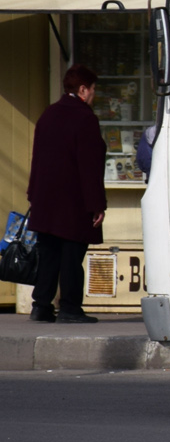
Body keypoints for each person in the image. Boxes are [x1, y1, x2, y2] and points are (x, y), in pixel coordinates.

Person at [25, 65, 107, 323]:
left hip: (45, 199)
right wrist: (96, 204)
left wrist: (33, 195)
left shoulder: (48, 114)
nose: (94, 95)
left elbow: (36, 159)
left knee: (48, 253)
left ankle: (41, 306)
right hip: (73, 202)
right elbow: (89, 165)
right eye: (92, 90)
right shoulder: (85, 119)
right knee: (72, 255)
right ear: (82, 90)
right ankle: (70, 308)